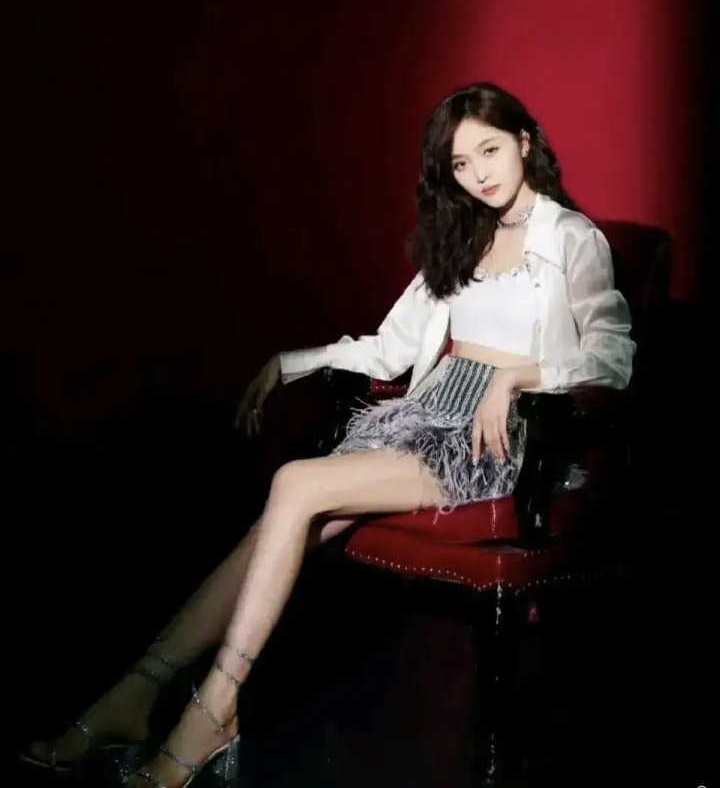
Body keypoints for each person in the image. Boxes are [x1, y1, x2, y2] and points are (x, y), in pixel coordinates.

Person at [21, 81, 635, 786]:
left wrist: (517, 375)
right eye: (461, 164)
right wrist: (294, 363)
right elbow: (391, 349)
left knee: (295, 482)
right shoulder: (463, 236)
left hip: (501, 436)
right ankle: (133, 698)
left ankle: (213, 708)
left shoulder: (570, 237)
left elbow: (613, 357)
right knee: (281, 520)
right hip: (428, 412)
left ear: (525, 142)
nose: (479, 175)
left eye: (490, 151)